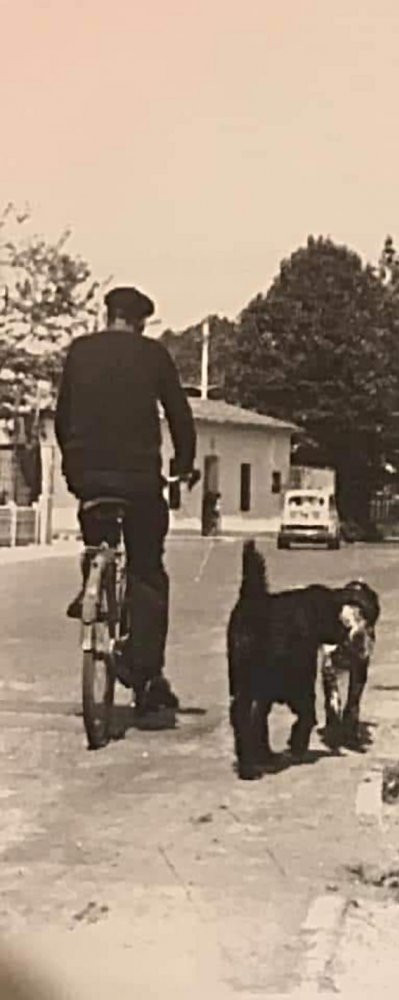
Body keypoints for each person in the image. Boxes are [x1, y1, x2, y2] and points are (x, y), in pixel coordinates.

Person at [55, 286, 197, 714]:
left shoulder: (79, 352)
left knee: (96, 530)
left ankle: (91, 581)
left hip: (88, 476)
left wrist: (73, 464)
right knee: (148, 571)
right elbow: (179, 414)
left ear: (107, 315)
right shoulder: (153, 355)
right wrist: (183, 465)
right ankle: (147, 676)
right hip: (138, 482)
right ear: (140, 322)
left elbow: (63, 417)